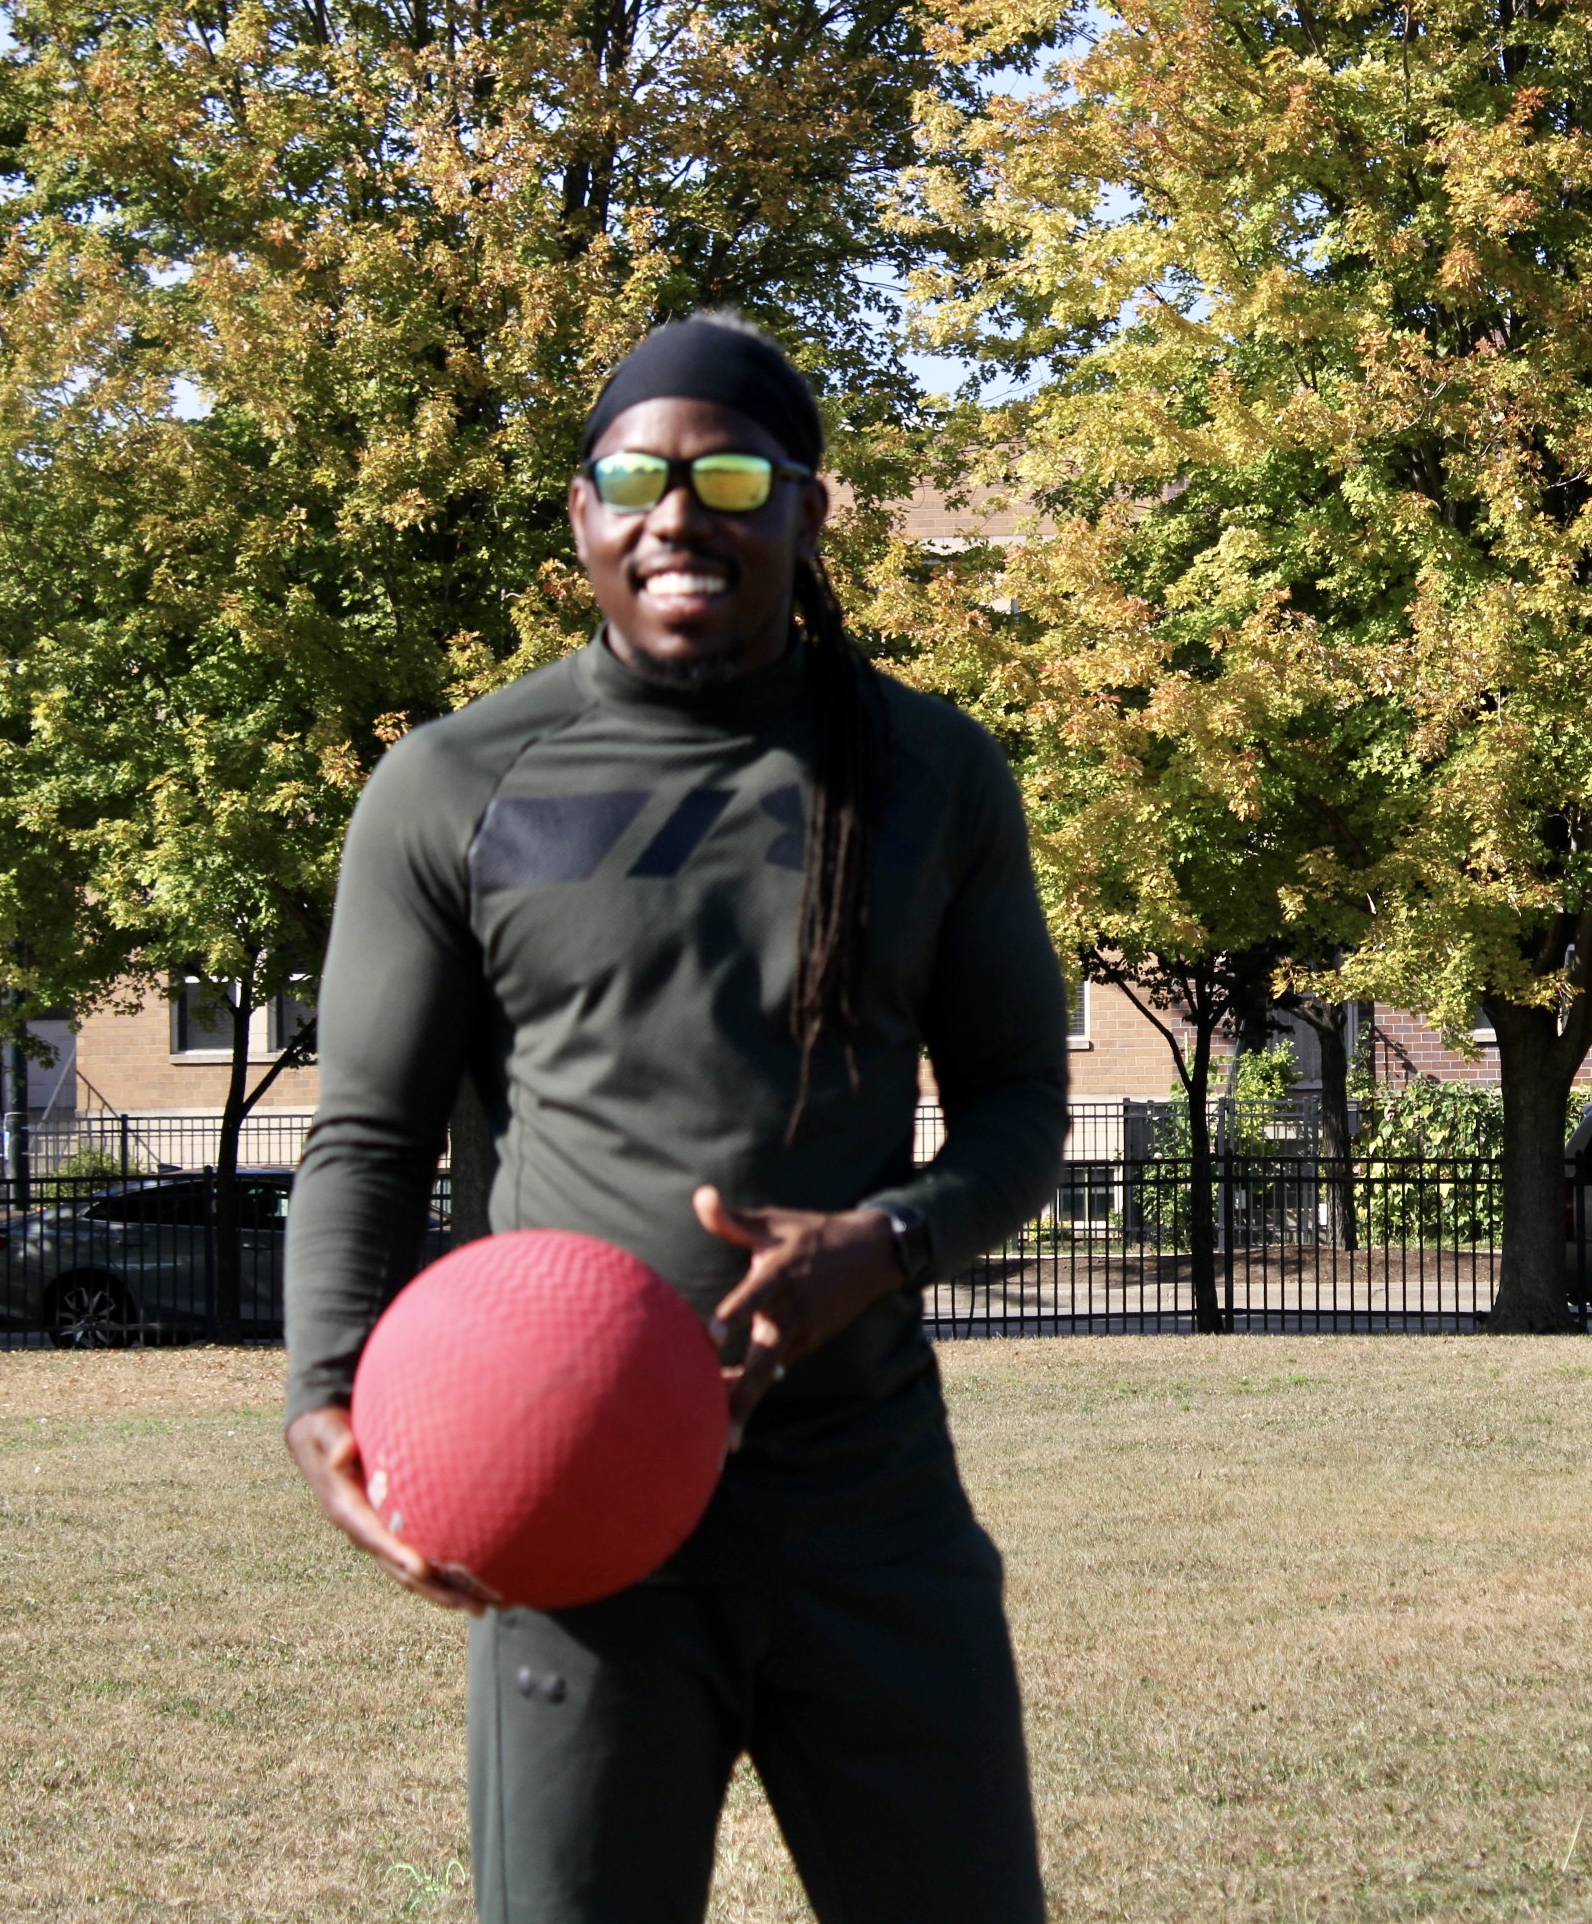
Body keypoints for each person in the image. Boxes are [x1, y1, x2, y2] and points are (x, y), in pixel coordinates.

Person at [280, 315, 1068, 1923]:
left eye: (727, 474)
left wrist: (889, 1239)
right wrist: (324, 1398)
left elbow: (1021, 1106)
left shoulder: (927, 774)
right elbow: (365, 1135)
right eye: (634, 475)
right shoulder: (454, 786)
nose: (676, 514)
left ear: (807, 507)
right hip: (578, 1525)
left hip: (870, 1513)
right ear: (581, 513)